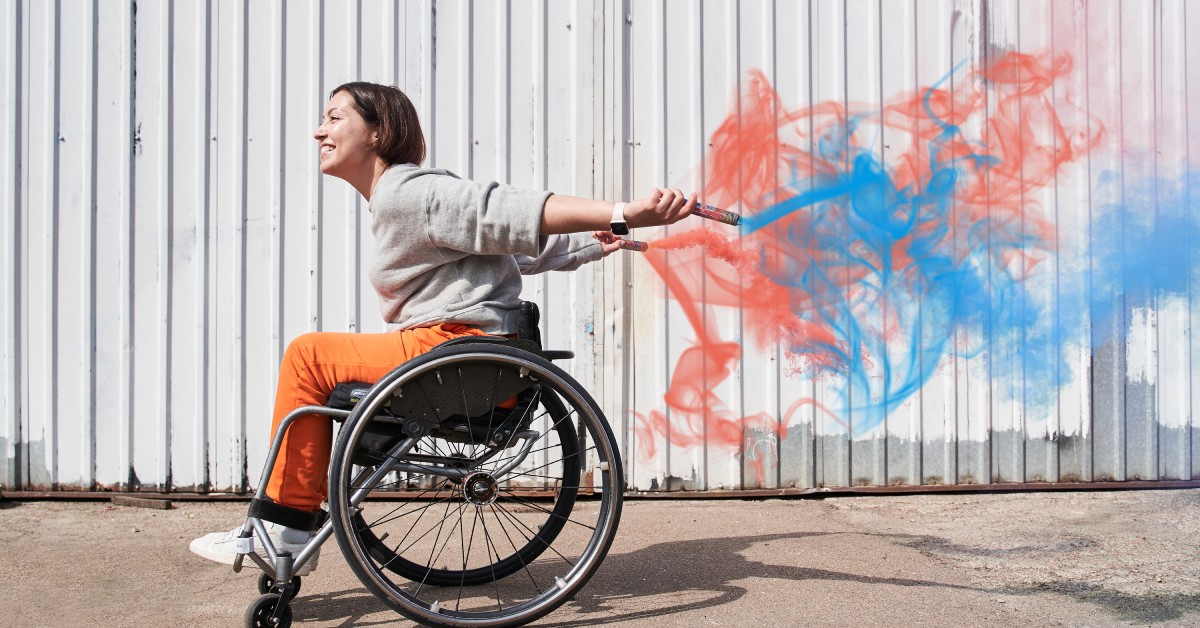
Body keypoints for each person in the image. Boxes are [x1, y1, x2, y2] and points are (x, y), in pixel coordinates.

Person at [189, 81, 694, 572]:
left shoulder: (408, 192)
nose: (320, 132)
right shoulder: (402, 197)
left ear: (376, 131)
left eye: (334, 117)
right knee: (315, 360)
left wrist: (623, 213)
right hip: (458, 351)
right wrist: (595, 238)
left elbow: (505, 211)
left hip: (455, 350)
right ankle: (288, 522)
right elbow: (506, 241)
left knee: (307, 356)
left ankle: (284, 525)